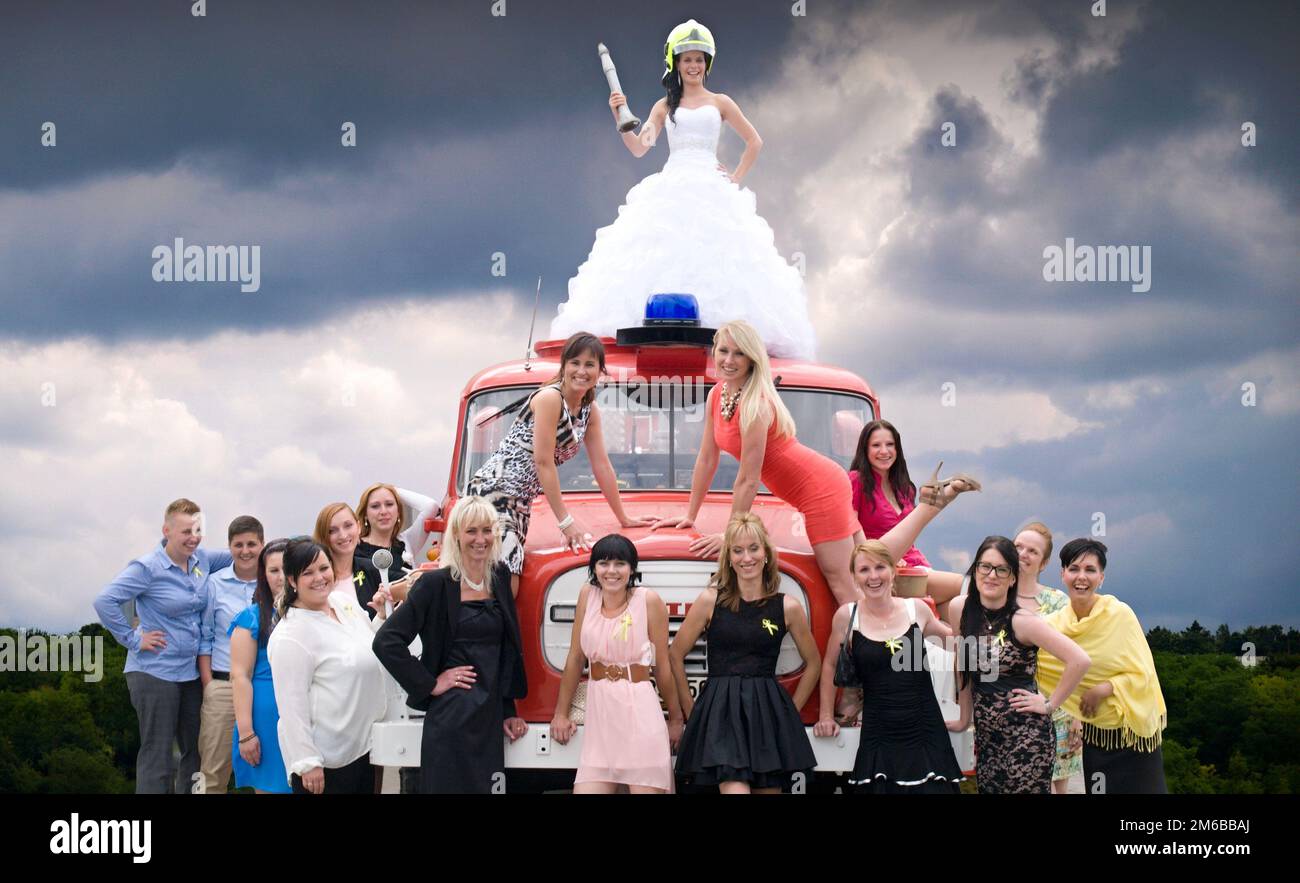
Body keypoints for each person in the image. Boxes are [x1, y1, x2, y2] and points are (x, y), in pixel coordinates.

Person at [652, 320, 981, 606]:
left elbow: (748, 480)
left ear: (752, 359)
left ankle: (863, 664)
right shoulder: (717, 396)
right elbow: (707, 458)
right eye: (723, 351)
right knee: (867, 564)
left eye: (739, 353)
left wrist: (731, 536)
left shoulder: (756, 406)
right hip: (822, 482)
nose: (729, 360)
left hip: (818, 489)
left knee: (845, 581)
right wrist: (689, 515)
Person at [549, 19, 817, 360]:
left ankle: (726, 344)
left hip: (713, 187)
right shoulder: (664, 106)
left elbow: (754, 141)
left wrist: (734, 179)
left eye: (699, 59)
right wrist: (619, 111)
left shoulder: (721, 102)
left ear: (707, 63)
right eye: (687, 59)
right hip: (673, 184)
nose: (693, 65)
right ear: (675, 63)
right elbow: (640, 146)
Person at [466, 332, 657, 597]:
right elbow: (543, 461)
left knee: (506, 577)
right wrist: (566, 522)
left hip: (522, 500)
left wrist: (623, 517)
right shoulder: (549, 398)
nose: (582, 371)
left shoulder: (590, 411)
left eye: (590, 365)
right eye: (575, 363)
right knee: (505, 577)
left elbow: (602, 466)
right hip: (495, 492)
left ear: (600, 371)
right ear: (564, 366)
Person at [372, 496, 529, 793]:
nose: (480, 539)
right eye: (471, 531)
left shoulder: (499, 576)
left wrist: (508, 709)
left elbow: (504, 650)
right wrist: (430, 683)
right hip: (450, 718)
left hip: (489, 718)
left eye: (487, 530)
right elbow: (386, 641)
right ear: (456, 534)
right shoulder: (435, 584)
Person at [671, 513, 819, 793]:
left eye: (753, 549)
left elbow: (813, 663)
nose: (746, 558)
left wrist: (789, 714)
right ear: (728, 558)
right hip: (721, 714)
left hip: (767, 715)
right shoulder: (709, 601)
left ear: (765, 554)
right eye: (737, 551)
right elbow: (675, 655)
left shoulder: (788, 607)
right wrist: (693, 712)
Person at [94, 498, 233, 794]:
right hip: (153, 671)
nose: (192, 537)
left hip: (191, 673)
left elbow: (245, 555)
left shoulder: (202, 560)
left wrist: (298, 546)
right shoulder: (147, 568)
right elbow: (105, 601)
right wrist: (133, 639)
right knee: (158, 755)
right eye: (185, 531)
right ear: (166, 530)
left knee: (197, 750)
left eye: (197, 529)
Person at [813, 540, 963, 793]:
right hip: (878, 732)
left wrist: (990, 630)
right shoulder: (847, 617)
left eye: (880, 567)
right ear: (854, 576)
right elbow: (829, 666)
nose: (873, 576)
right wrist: (826, 716)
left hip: (925, 730)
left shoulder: (917, 610)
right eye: (864, 570)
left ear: (893, 571)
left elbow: (959, 645)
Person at [946, 536, 1090, 794]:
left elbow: (1079, 660)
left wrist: (1048, 704)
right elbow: (963, 667)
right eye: (985, 566)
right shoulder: (960, 609)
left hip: (1027, 738)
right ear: (975, 570)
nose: (992, 575)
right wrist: (963, 717)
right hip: (988, 738)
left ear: (1012, 578)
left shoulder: (1023, 621)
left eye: (1002, 569)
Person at [550, 534, 681, 793]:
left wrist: (675, 719)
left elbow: (662, 666)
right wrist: (560, 714)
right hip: (600, 722)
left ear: (632, 569)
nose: (611, 571)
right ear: (594, 568)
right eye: (603, 563)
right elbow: (576, 659)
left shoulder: (649, 601)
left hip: (640, 714)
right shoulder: (587, 596)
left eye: (620, 563)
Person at [1036, 539, 1168, 794]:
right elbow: (1035, 663)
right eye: (1074, 569)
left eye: (1090, 570)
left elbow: (1144, 674)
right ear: (1062, 574)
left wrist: (1105, 688)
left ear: (1102, 577)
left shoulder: (1120, 614)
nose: (1081, 577)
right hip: (1097, 735)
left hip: (1135, 734)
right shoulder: (1052, 625)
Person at [268, 539, 387, 794]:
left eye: (323, 568)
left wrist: (381, 617)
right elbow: (291, 706)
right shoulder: (291, 635)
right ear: (291, 580)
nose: (319, 578)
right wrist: (307, 762)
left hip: (362, 748)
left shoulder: (342, 602)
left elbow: (365, 647)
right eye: (307, 573)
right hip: (325, 761)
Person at [849, 420, 973, 611]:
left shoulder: (904, 488)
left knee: (954, 609)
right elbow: (851, 529)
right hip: (882, 566)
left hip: (913, 564)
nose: (884, 451)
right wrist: (866, 562)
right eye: (876, 445)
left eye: (890, 445)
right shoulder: (856, 480)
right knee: (966, 585)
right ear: (864, 450)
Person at [1012, 522, 1083, 794]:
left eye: (1032, 551)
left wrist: (1079, 716)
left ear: (1043, 563)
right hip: (1014, 705)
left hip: (1058, 706)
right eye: (1018, 546)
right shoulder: (994, 597)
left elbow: (1079, 655)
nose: (1023, 554)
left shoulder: (1059, 601)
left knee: (1059, 787)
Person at [196, 515, 264, 794]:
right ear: (229, 547)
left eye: (251, 544)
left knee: (269, 768)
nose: (245, 551)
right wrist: (208, 683)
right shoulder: (214, 584)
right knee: (213, 771)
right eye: (238, 545)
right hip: (223, 686)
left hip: (263, 684)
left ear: (262, 544)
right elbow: (205, 636)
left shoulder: (274, 581)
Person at [229, 538, 291, 793]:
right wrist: (246, 733)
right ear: (264, 576)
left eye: (287, 569)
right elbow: (240, 676)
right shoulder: (251, 618)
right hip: (265, 721)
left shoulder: (318, 613)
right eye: (274, 570)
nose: (281, 577)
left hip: (311, 716)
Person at [313, 502, 401, 621]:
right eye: (332, 531)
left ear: (359, 527)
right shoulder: (316, 579)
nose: (343, 535)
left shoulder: (372, 569)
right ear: (323, 536)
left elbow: (412, 581)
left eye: (348, 525)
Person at [356, 482, 408, 567]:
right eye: (375, 506)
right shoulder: (354, 548)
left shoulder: (406, 542)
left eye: (389, 504)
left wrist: (392, 489)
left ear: (398, 511)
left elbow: (430, 506)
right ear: (365, 514)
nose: (383, 511)